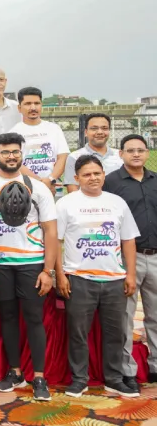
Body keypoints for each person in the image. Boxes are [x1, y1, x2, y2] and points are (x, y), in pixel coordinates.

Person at [0, 133, 57, 401]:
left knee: (33, 318)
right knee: (8, 317)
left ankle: (39, 377)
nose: (11, 156)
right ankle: (15, 372)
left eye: (15, 152)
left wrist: (48, 271)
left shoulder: (38, 188)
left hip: (32, 263)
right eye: (6, 152)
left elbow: (51, 231)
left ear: (22, 154)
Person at [56, 154, 139, 398]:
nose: (92, 178)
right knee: (78, 333)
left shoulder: (117, 203)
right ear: (76, 178)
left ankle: (114, 379)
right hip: (79, 279)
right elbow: (55, 241)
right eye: (86, 174)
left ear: (104, 175)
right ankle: (79, 379)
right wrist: (60, 275)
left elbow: (128, 240)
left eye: (96, 173)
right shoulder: (66, 204)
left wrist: (130, 274)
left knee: (115, 333)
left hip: (114, 280)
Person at [104, 134, 157, 390]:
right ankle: (127, 371)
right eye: (130, 150)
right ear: (121, 154)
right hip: (127, 258)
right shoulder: (111, 183)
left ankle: (156, 366)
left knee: (155, 316)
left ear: (147, 153)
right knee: (125, 316)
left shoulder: (155, 180)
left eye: (140, 150)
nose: (136, 154)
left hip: (155, 256)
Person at [10, 86, 70, 193]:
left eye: (37, 103)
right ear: (19, 108)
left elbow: (62, 157)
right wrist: (40, 183)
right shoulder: (13, 133)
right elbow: (15, 162)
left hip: (53, 187)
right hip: (24, 189)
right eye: (28, 104)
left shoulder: (54, 129)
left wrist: (50, 179)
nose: (33, 107)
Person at [65, 113, 123, 193]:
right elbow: (73, 189)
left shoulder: (121, 155)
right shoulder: (74, 157)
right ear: (86, 132)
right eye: (94, 128)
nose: (100, 132)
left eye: (104, 128)